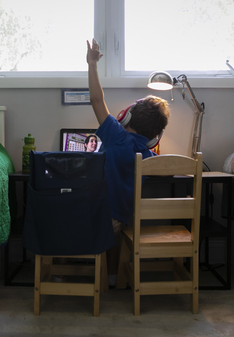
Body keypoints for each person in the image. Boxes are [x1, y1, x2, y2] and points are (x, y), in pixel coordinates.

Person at [86, 38, 170, 287]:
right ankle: (113, 277)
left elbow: (96, 100)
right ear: (155, 137)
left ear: (125, 116)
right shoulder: (146, 154)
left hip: (96, 214)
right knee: (118, 228)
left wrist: (92, 63)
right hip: (120, 219)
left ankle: (72, 271)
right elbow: (166, 168)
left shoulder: (115, 135)